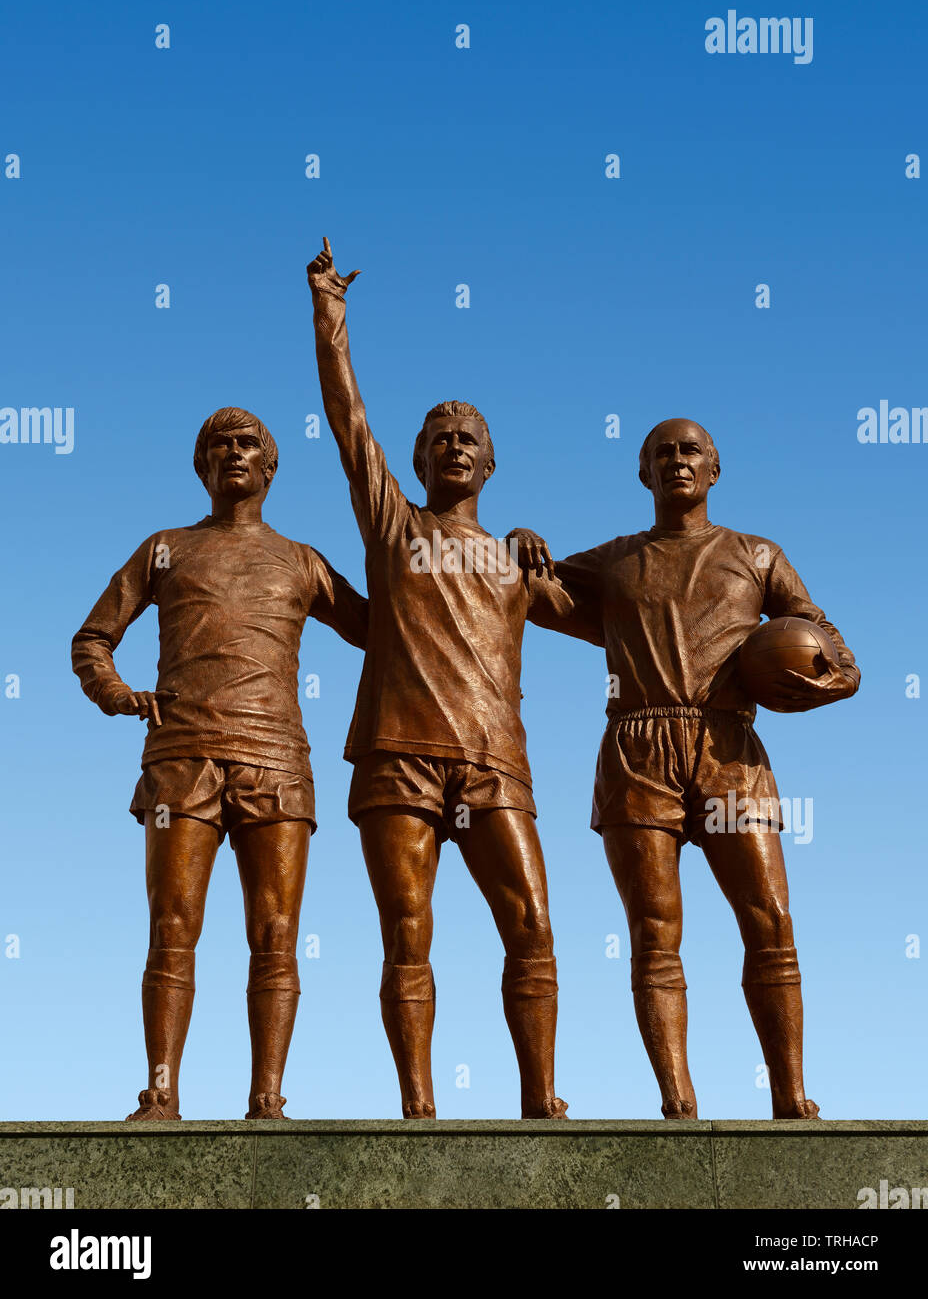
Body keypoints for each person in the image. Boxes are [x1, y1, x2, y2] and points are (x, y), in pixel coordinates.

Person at [307, 238, 596, 1119]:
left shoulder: (517, 566)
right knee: (408, 932)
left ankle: (541, 1097)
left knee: (534, 928)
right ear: (421, 459)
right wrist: (330, 314)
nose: (454, 447)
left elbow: (626, 624)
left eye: (469, 438)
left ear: (492, 463)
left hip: (492, 760)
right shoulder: (394, 527)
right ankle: (420, 1106)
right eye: (438, 439)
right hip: (397, 756)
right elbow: (350, 421)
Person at [517, 418, 859, 1119]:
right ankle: (677, 1100)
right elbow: (538, 593)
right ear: (644, 473)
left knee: (771, 921)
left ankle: (790, 1094)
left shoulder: (757, 554)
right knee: (654, 930)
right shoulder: (616, 561)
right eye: (662, 453)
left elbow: (839, 658)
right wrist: (520, 543)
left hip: (728, 749)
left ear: (715, 469)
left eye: (691, 451)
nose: (678, 461)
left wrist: (824, 682)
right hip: (638, 749)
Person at [71, 406, 368, 1120]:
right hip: (182, 760)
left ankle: (267, 1097)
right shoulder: (166, 548)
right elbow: (92, 638)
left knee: (275, 933)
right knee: (172, 925)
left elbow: (385, 631)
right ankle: (160, 1092)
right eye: (218, 445)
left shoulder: (303, 560)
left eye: (247, 444)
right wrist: (117, 695)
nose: (233, 453)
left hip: (276, 761)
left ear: (270, 466)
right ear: (202, 467)